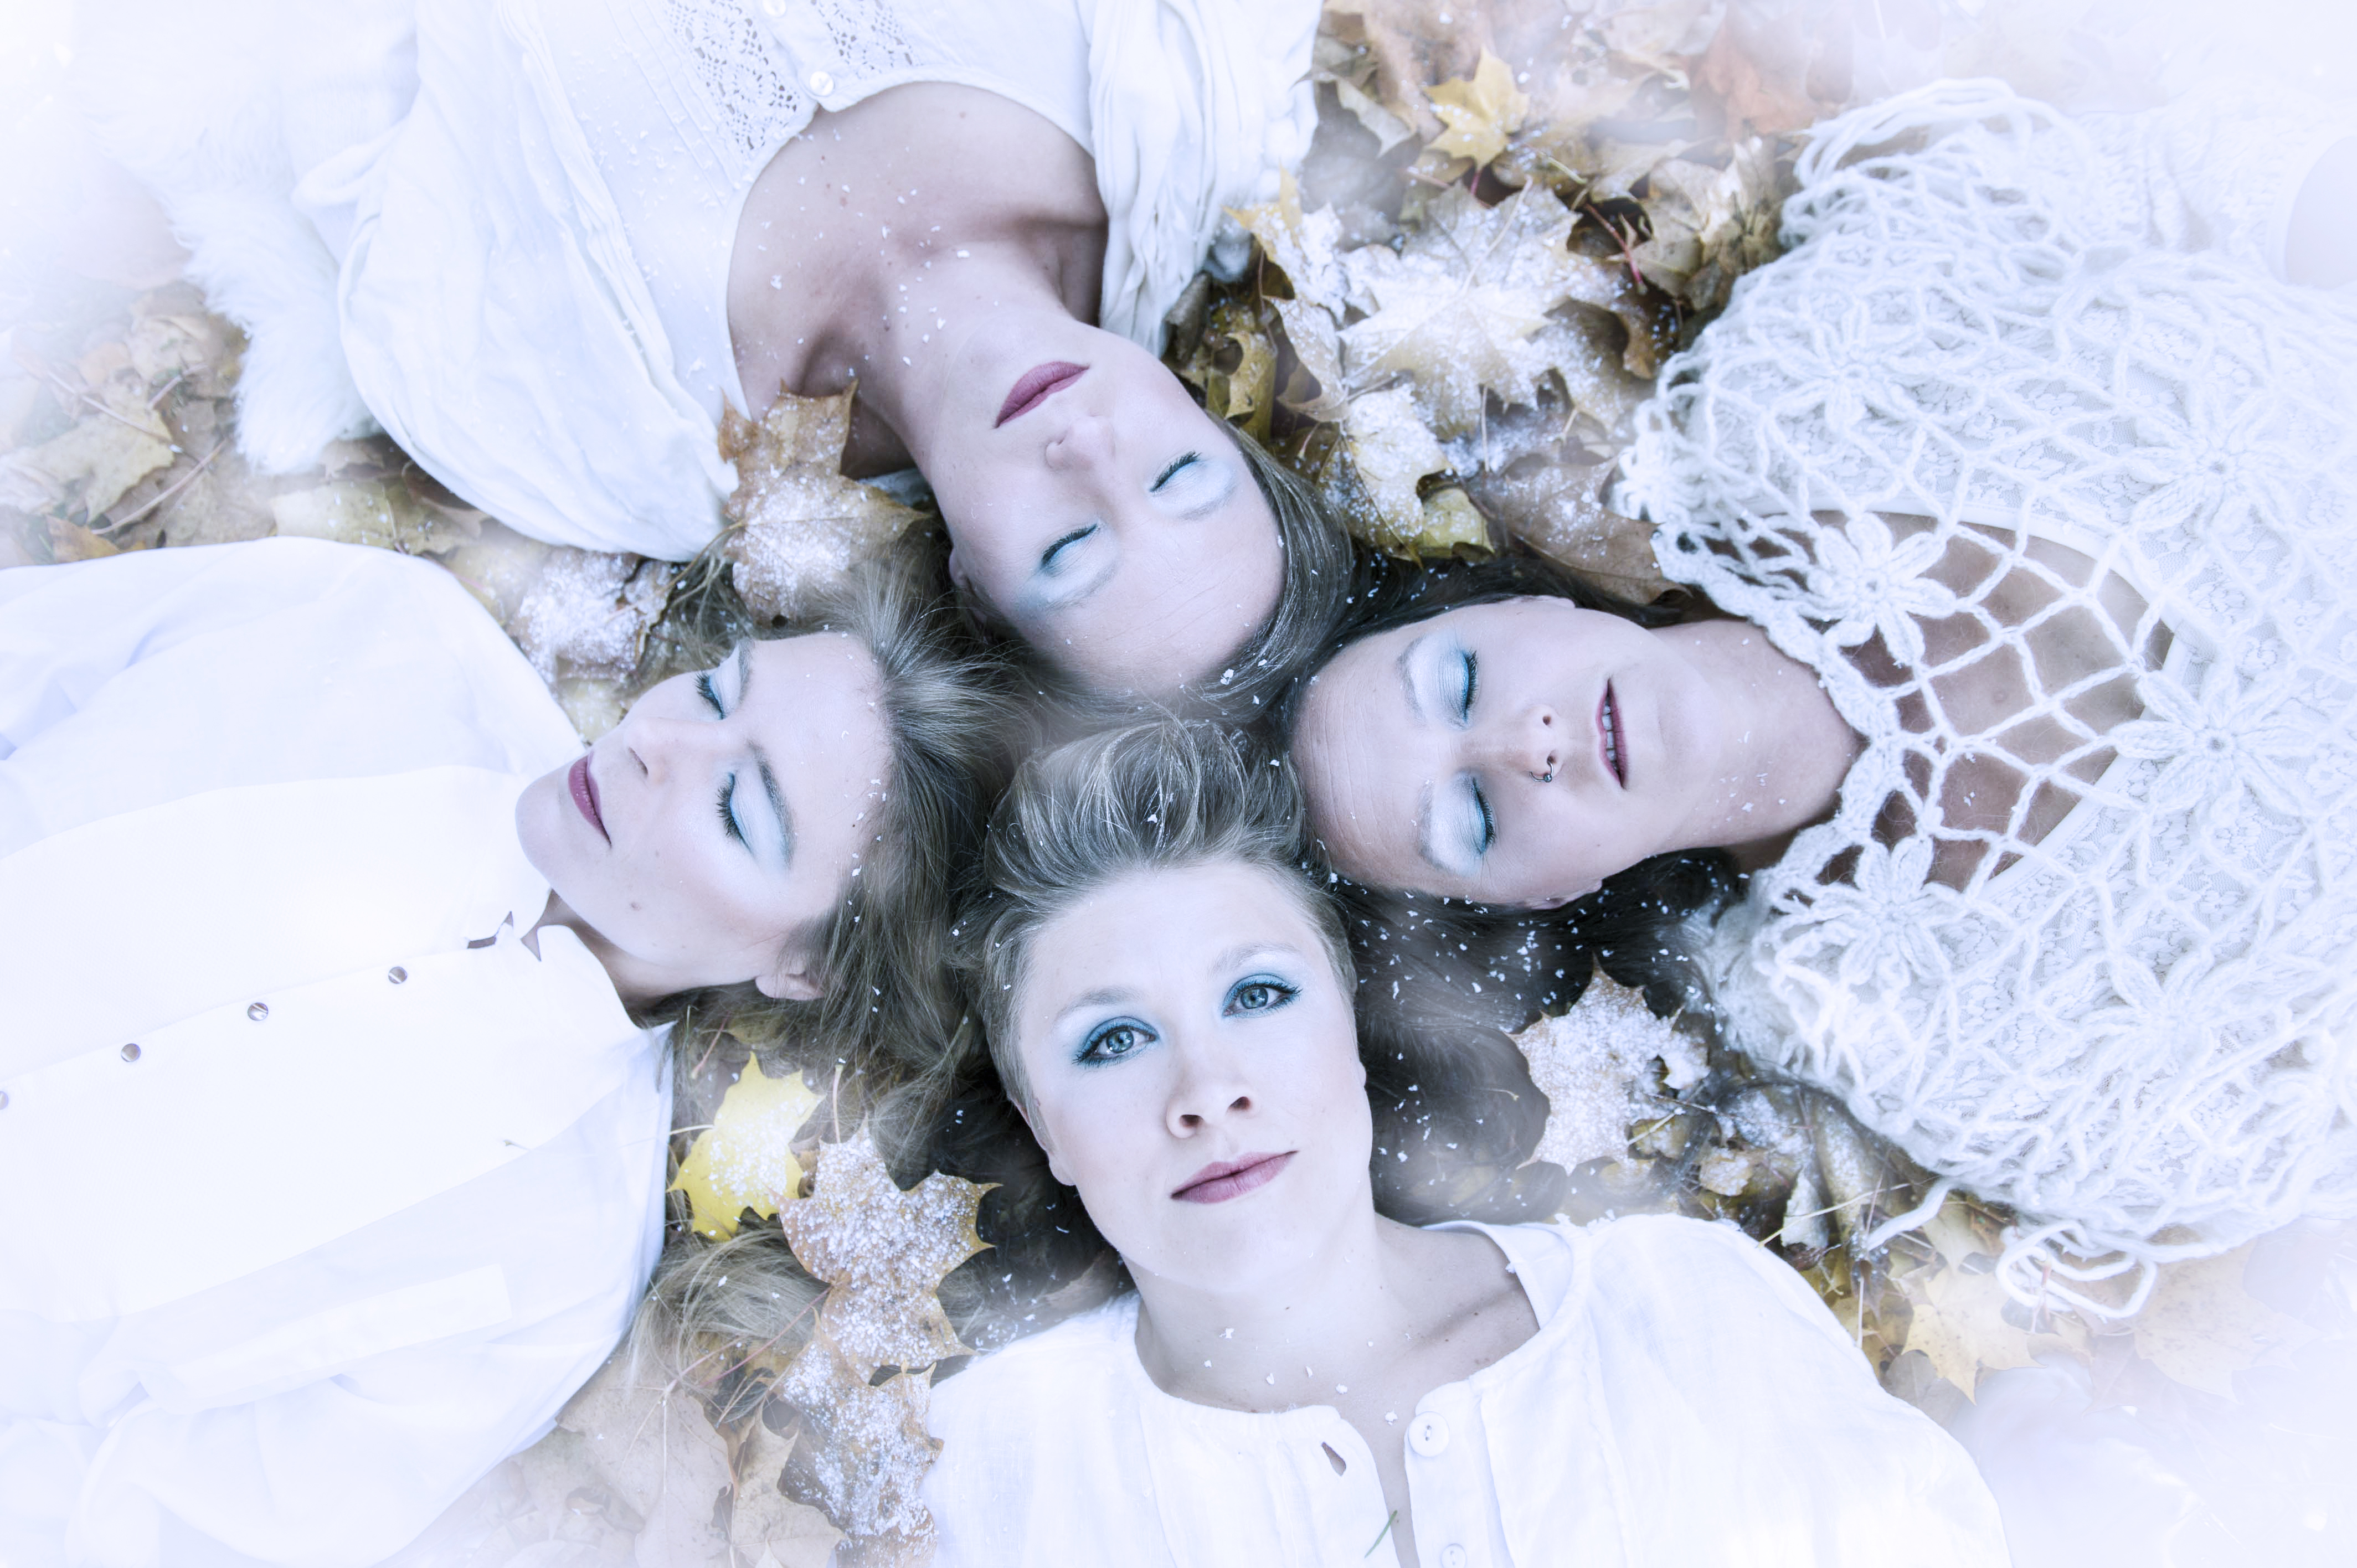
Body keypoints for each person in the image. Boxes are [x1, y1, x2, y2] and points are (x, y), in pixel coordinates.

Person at [1283, 79, 2357, 1312]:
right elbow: (2291, 1137)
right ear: (1545, 894)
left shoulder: (1810, 386)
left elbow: (2198, 162)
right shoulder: (1910, 1028)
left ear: (1519, 606)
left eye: (1462, 680)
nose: (1522, 744)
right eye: (1469, 818)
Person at [0, 534, 1010, 1567]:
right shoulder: (384, 632)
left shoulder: (548, 1274)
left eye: (736, 807)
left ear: (805, 969)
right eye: (715, 692)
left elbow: (157, 1527)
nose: (657, 739)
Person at [920, 719, 2008, 1566]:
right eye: (1112, 1041)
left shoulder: (1679, 1313)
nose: (1206, 1094)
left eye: (1256, 994)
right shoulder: (970, 1471)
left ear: (1346, 1031)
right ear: (1043, 1126)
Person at [71, 0, 1350, 708]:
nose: (1089, 456)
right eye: (1177, 476)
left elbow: (355, 147)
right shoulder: (1192, 109)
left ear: (973, 589)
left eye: (1071, 550)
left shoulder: (628, 442)